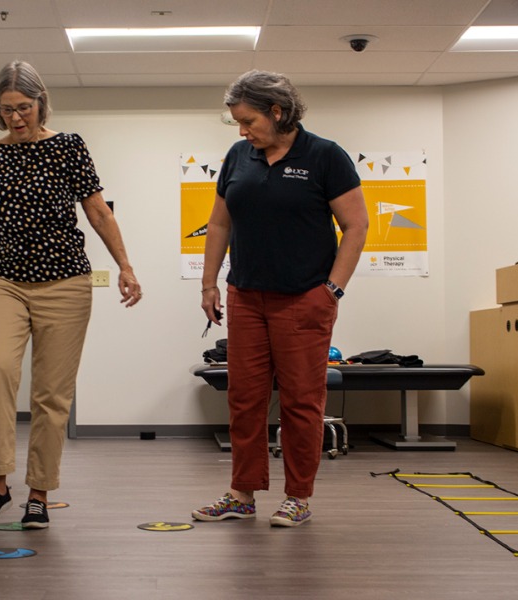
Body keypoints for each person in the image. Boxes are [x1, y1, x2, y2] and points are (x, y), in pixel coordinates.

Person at [0, 61, 142, 530]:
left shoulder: (70, 147)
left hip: (66, 282)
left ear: (40, 102)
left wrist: (125, 266)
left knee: (52, 394)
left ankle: (38, 494)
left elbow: (97, 211)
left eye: (23, 108)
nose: (15, 117)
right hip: (4, 279)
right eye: (6, 109)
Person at [193, 70, 368, 527]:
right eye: (237, 122)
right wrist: (210, 283)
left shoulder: (326, 156)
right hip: (247, 296)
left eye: (248, 120)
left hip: (303, 299)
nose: (242, 131)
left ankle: (298, 497)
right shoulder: (239, 156)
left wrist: (331, 290)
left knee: (300, 401)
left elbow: (356, 226)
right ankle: (241, 494)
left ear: (277, 111)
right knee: (244, 399)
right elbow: (219, 225)